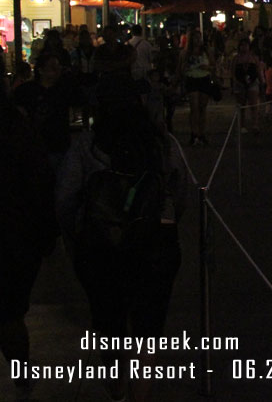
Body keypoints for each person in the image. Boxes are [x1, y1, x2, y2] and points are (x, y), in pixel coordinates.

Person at [57, 96, 186, 402]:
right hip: (154, 243)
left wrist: (72, 237)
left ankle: (117, 389)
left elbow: (65, 196)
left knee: (107, 320)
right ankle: (140, 394)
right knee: (147, 329)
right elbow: (179, 193)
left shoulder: (87, 146)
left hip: (101, 246)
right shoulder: (161, 143)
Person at [0, 89, 57, 402]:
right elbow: (40, 180)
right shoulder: (17, 127)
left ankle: (21, 370)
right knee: (10, 312)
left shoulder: (16, 126)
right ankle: (21, 371)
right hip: (15, 234)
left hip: (14, 233)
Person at [178, 30, 214, 146]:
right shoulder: (185, 53)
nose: (197, 40)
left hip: (204, 78)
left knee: (202, 107)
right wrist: (186, 67)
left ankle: (202, 133)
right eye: (195, 38)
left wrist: (207, 67)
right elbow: (180, 69)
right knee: (194, 107)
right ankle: (194, 133)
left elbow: (213, 65)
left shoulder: (206, 51)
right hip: (192, 79)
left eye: (199, 38)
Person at [231, 38, 262, 133]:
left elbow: (258, 70)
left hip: (252, 82)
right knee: (241, 106)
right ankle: (242, 125)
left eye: (246, 45)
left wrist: (262, 82)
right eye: (242, 45)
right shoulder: (236, 58)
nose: (244, 47)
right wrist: (234, 82)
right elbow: (232, 72)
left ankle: (255, 125)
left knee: (254, 105)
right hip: (239, 83)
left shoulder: (254, 58)